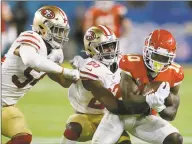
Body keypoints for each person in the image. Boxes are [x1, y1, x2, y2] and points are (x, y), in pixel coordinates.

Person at [2, 6, 79, 144]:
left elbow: (63, 82)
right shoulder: (30, 37)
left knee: (22, 138)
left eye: (62, 31)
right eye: (57, 30)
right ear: (42, 27)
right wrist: (63, 70)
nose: (61, 35)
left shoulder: (55, 52)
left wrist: (79, 73)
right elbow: (30, 59)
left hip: (5, 104)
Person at [92, 29, 184, 144]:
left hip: (143, 119)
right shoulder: (131, 63)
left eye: (164, 58)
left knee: (175, 139)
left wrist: (160, 107)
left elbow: (171, 114)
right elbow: (129, 102)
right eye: (156, 56)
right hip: (118, 116)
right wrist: (149, 100)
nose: (159, 63)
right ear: (147, 51)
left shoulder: (174, 72)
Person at [60, 25, 132, 144]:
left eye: (112, 45)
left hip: (110, 118)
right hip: (85, 115)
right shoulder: (88, 67)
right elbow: (103, 90)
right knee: (73, 129)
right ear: (92, 48)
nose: (111, 50)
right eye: (106, 47)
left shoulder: (122, 62)